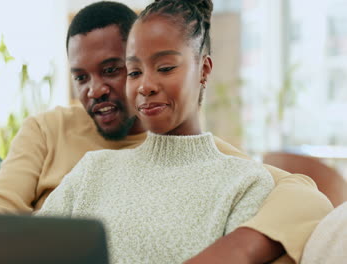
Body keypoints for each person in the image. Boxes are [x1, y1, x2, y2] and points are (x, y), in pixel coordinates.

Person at [0, 1, 332, 263]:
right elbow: (3, 216)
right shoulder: (71, 149)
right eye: (81, 76)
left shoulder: (235, 174)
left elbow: (299, 192)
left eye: (112, 70)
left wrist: (244, 245)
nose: (94, 90)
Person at [37, 1, 277, 263]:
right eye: (134, 72)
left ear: (204, 70)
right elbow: (26, 248)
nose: (145, 86)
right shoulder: (92, 170)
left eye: (165, 68)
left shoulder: (244, 183)